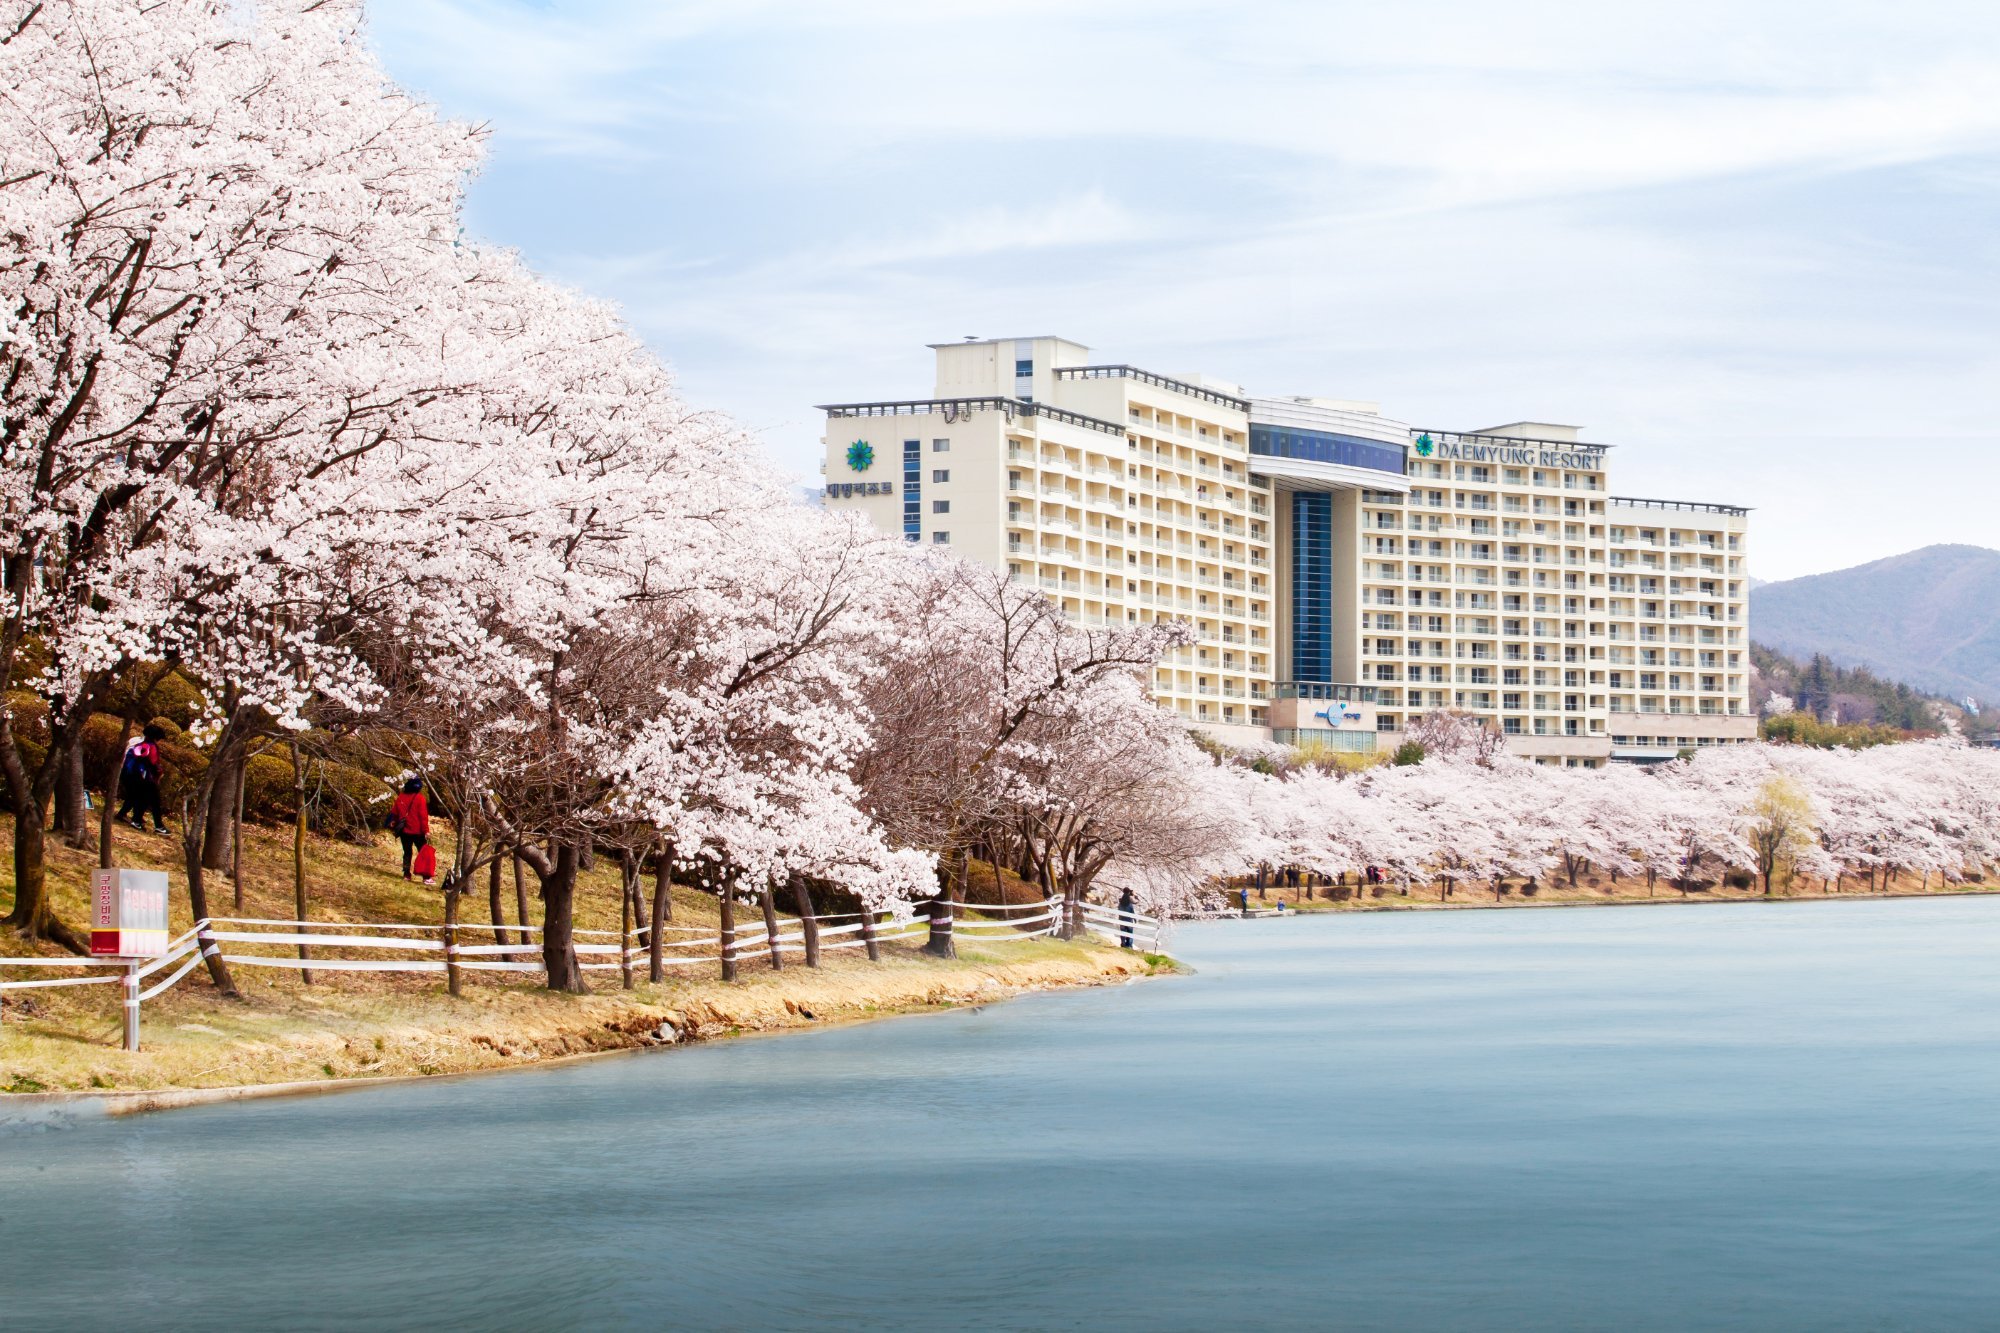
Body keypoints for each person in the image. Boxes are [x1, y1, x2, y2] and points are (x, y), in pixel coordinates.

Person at [116, 724, 169, 835]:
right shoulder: (152, 747)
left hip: (132, 775)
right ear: (157, 737)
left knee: (137, 798)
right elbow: (153, 763)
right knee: (154, 801)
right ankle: (157, 825)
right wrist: (159, 773)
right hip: (145, 777)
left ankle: (131, 818)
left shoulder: (140, 745)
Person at [389, 778, 431, 881]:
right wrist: (426, 830)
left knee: (407, 852)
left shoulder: (401, 797)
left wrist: (394, 821)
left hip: (404, 830)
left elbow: (395, 812)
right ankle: (425, 876)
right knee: (423, 853)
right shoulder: (420, 798)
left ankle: (406, 874)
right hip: (418, 831)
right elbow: (423, 817)